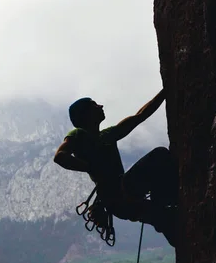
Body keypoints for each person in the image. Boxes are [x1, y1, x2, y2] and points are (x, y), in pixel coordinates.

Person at [53, 89, 178, 247]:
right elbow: (60, 156)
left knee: (166, 219)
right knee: (159, 155)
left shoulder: (108, 134)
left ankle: (182, 240)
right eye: (94, 105)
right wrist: (91, 167)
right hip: (121, 191)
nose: (100, 106)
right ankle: (167, 199)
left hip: (118, 202)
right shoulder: (78, 134)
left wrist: (166, 90)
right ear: (86, 115)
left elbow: (140, 116)